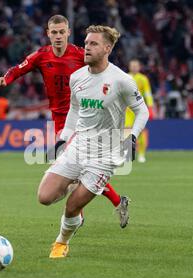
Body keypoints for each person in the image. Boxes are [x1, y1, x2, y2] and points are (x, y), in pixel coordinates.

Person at [0, 15, 129, 223]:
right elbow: (19, 69)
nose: (57, 36)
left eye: (61, 32)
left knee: (76, 167)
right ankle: (117, 201)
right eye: (54, 32)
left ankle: (79, 215)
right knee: (79, 169)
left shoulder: (81, 55)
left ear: (68, 33)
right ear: (48, 33)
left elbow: (103, 72)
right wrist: (6, 79)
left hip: (84, 117)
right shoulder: (41, 56)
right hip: (59, 120)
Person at [38, 25, 149, 258]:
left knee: (72, 207)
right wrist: (63, 139)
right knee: (44, 197)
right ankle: (73, 182)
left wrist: (132, 138)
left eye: (94, 44)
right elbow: (74, 112)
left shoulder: (121, 80)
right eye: (86, 43)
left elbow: (142, 111)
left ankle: (61, 242)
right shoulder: (77, 77)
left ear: (107, 48)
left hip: (105, 155)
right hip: (78, 147)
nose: (87, 47)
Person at [126, 59, 154, 163]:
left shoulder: (143, 79)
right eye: (132, 65)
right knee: (127, 131)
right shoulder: (125, 77)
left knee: (141, 132)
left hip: (139, 109)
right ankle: (129, 154)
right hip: (127, 110)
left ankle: (141, 154)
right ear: (129, 66)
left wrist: (150, 108)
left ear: (139, 67)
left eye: (135, 65)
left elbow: (148, 94)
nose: (134, 67)